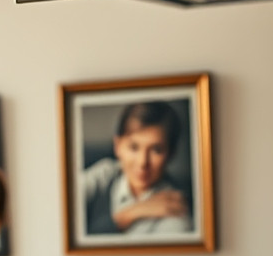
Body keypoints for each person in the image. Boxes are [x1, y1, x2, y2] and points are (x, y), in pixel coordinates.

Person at [81, 101, 191, 236]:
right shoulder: (104, 174)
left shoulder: (175, 212)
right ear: (117, 146)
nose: (142, 162)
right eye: (134, 147)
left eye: (156, 150)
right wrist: (130, 214)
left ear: (171, 154)